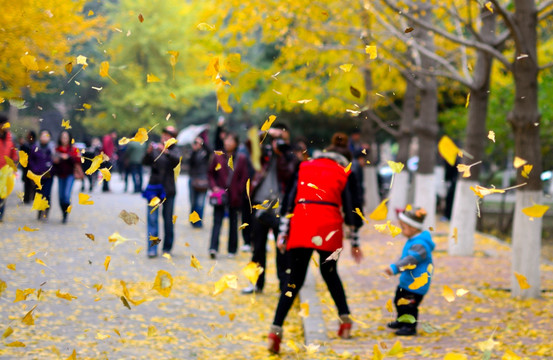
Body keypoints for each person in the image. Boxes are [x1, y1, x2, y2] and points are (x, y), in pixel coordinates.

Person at [267, 134, 364, 354]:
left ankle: (275, 330)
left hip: (302, 222)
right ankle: (345, 320)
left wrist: (282, 233)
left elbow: (290, 200)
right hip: (329, 226)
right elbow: (351, 207)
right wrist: (355, 241)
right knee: (330, 273)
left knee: (294, 280)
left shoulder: (304, 166)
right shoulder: (344, 171)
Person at [242, 123, 298, 294]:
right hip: (261, 205)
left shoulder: (290, 155)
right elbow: (250, 143)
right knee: (257, 248)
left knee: (282, 249)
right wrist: (265, 133)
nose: (279, 141)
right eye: (277, 137)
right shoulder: (264, 153)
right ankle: (256, 284)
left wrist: (281, 154)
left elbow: (289, 175)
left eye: (282, 137)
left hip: (281, 207)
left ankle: (283, 286)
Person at [384, 207, 435, 336]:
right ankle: (402, 320)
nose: (401, 230)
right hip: (408, 281)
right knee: (399, 301)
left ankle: (410, 327)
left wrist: (394, 268)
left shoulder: (420, 245)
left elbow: (410, 260)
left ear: (413, 228)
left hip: (416, 283)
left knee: (409, 306)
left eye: (403, 227)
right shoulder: (414, 240)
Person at [207, 132, 249, 259]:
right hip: (220, 195)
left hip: (235, 196)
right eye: (226, 140)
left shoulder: (241, 158)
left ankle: (232, 249)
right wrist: (214, 187)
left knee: (233, 223)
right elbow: (210, 174)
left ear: (236, 143)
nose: (228, 142)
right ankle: (213, 248)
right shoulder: (218, 156)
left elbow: (244, 177)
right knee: (217, 221)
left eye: (231, 140)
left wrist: (240, 191)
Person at [142, 126, 181, 257]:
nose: (165, 137)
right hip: (154, 188)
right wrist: (148, 153)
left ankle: (167, 247)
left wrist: (166, 152)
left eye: (168, 135)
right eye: (164, 134)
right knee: (152, 219)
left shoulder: (175, 151)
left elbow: (177, 162)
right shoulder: (155, 149)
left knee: (168, 220)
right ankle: (152, 248)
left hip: (168, 189)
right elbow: (145, 163)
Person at [53, 130, 81, 223]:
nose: (64, 139)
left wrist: (68, 157)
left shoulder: (73, 149)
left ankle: (66, 214)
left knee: (66, 195)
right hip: (60, 175)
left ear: (69, 138)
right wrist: (58, 159)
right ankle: (63, 212)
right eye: (62, 137)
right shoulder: (57, 149)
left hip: (70, 174)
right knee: (60, 196)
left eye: (66, 137)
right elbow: (53, 162)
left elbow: (77, 160)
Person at [28, 130, 55, 221]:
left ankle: (46, 211)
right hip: (37, 175)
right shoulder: (35, 147)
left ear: (49, 137)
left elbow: (56, 161)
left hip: (48, 175)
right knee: (39, 193)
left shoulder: (52, 149)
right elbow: (30, 160)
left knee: (47, 194)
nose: (44, 138)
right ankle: (39, 211)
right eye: (43, 136)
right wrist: (34, 169)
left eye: (46, 136)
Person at [188, 136, 210, 228]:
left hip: (203, 180)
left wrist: (202, 143)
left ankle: (199, 221)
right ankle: (193, 220)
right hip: (193, 179)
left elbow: (209, 151)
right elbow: (190, 162)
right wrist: (194, 150)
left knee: (200, 203)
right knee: (193, 202)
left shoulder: (204, 153)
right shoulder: (192, 153)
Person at [0, 113, 18, 221]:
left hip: (5, 171)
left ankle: (1, 214)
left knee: (3, 194)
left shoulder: (10, 138)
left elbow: (14, 154)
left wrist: (14, 167)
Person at [20, 130, 37, 204]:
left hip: (33, 167)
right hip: (26, 167)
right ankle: (27, 198)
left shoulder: (34, 145)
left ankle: (32, 197)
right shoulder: (26, 144)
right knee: (27, 183)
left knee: (33, 183)